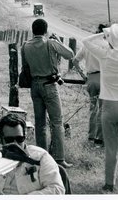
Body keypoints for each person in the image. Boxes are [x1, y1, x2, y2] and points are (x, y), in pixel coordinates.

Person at [22, 18, 74, 168]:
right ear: (45, 30)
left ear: (33, 30)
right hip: (49, 84)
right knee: (57, 122)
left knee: (40, 124)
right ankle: (59, 159)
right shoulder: (50, 43)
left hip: (34, 85)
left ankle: (42, 157)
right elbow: (70, 54)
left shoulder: (25, 45)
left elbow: (25, 67)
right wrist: (57, 39)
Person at [82, 23, 118, 193]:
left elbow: (86, 41)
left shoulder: (105, 55)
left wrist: (103, 34)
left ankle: (109, 184)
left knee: (111, 147)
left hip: (110, 105)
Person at [0, 113, 65, 194]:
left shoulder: (40, 157)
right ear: (1, 139)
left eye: (19, 139)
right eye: (9, 140)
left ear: (25, 136)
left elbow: (57, 189)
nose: (15, 144)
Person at [72, 23, 107, 147]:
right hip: (104, 79)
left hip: (91, 79)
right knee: (103, 109)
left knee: (93, 108)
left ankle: (91, 136)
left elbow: (75, 61)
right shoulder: (107, 46)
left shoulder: (87, 46)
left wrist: (83, 76)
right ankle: (99, 138)